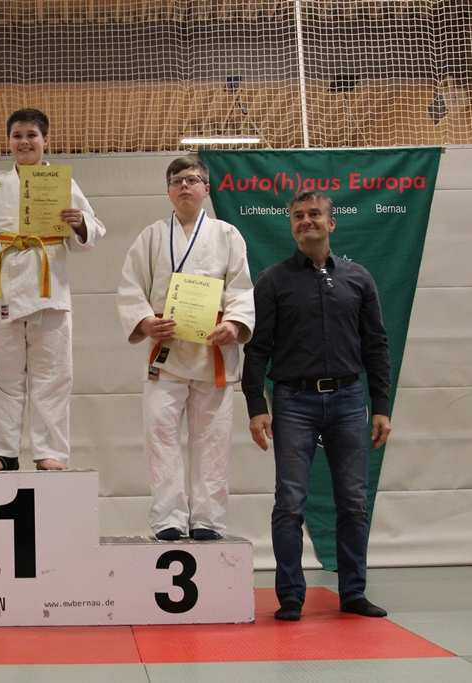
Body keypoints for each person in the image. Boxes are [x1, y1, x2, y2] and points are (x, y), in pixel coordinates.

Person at [242, 190, 391, 621]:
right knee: (290, 501)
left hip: (349, 399)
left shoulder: (359, 278)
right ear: (291, 225)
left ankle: (354, 592)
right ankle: (290, 596)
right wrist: (256, 406)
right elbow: (256, 350)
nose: (306, 220)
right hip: (293, 401)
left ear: (331, 223)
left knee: (354, 500)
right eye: (298, 216)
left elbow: (377, 345)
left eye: (314, 214)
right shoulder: (272, 280)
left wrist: (381, 405)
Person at [0, 108, 105, 472]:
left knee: (53, 376)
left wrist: (80, 223)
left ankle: (50, 452)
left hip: (48, 289)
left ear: (45, 141)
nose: (24, 142)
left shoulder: (62, 184)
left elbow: (93, 233)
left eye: (31, 135)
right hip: (1, 289)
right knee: (1, 376)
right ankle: (3, 452)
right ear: (8, 142)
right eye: (17, 135)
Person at [117, 156, 254, 542]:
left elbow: (242, 287)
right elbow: (130, 286)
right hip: (167, 351)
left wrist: (234, 324)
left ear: (206, 189)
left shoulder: (227, 235)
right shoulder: (151, 236)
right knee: (160, 435)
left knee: (213, 438)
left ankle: (208, 518)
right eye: (177, 181)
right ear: (168, 191)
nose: (184, 186)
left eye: (192, 180)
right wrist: (144, 321)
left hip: (213, 350)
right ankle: (168, 518)